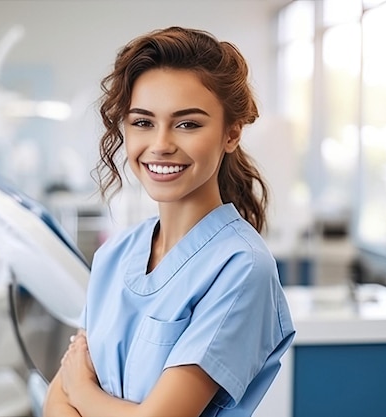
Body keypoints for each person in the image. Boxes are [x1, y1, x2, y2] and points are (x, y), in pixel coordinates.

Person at [43, 26, 295, 417]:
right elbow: (56, 401)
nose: (161, 143)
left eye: (187, 124)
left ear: (231, 133)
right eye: (143, 122)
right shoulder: (115, 256)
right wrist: (73, 390)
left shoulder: (241, 268)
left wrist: (82, 390)